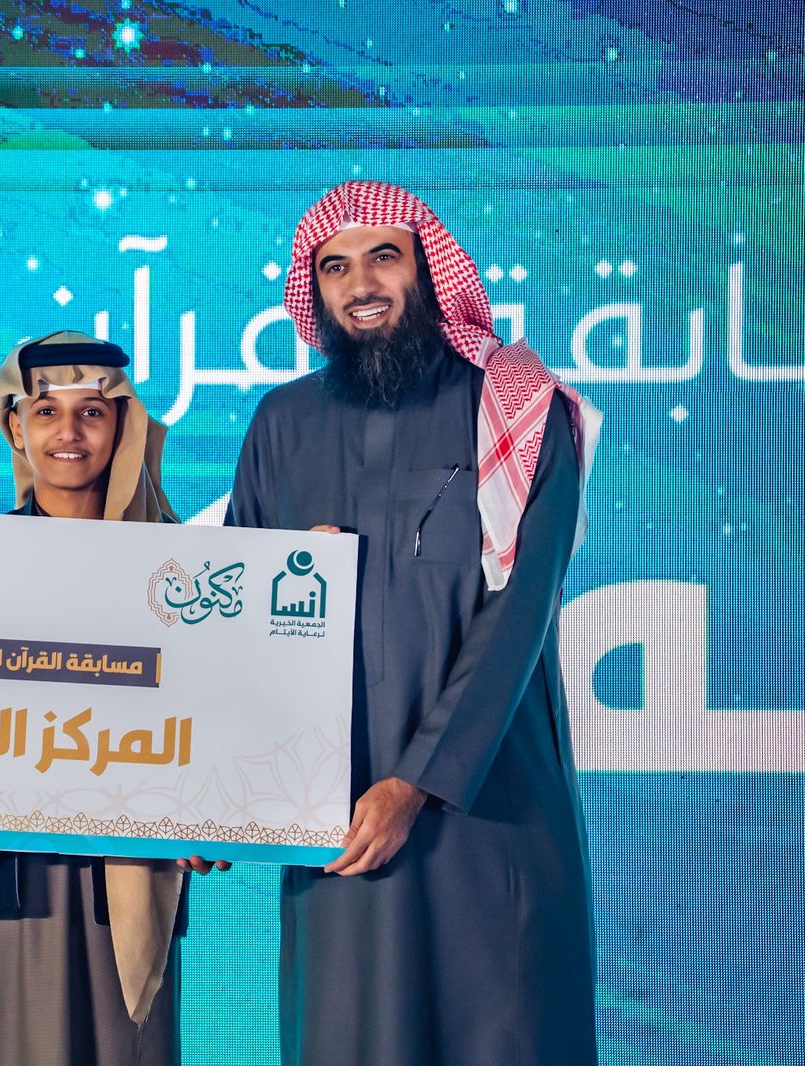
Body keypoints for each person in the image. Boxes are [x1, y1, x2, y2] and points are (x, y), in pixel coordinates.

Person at [226, 181, 603, 1065]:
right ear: (313, 291)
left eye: (383, 258)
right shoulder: (282, 422)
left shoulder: (520, 409)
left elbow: (518, 619)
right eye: (335, 267)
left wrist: (415, 783)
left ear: (429, 269)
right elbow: (232, 621)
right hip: (335, 820)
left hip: (488, 811)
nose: (360, 284)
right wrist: (214, 800)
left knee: (502, 1031)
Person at [0, 330, 228, 1066]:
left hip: (123, 887)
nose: (68, 432)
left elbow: (221, 723)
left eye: (92, 412)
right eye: (46, 412)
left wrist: (217, 810)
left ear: (123, 425)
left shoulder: (189, 577)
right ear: (16, 428)